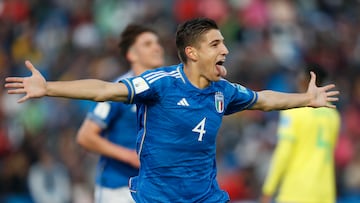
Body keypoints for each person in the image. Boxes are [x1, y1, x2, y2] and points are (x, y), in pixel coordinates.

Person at [5, 18, 339, 203]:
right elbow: (105, 90)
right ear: (192, 53)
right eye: (215, 44)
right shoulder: (160, 83)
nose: (225, 49)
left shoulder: (224, 91)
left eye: (224, 42)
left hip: (208, 197)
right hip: (158, 198)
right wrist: (49, 88)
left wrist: (305, 99)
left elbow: (263, 99)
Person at [76, 24, 164, 203]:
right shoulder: (119, 90)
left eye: (157, 43)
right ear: (131, 54)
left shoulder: (166, 89)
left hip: (154, 188)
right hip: (118, 188)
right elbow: (85, 136)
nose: (157, 48)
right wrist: (129, 156)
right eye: (147, 44)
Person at [260, 66, 340, 203]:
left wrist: (268, 189)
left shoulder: (294, 112)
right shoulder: (333, 116)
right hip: (325, 193)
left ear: (304, 82)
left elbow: (284, 153)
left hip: (296, 192)